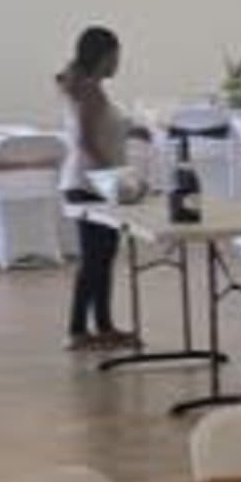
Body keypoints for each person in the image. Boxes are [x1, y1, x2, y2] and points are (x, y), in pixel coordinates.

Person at [55, 27, 147, 347]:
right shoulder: (90, 90)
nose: (118, 63)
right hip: (92, 182)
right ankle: (84, 329)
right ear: (104, 56)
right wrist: (116, 174)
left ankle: (95, 327)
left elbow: (104, 129)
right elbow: (86, 140)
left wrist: (133, 132)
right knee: (97, 259)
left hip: (87, 181)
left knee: (99, 258)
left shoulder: (81, 87)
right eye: (116, 56)